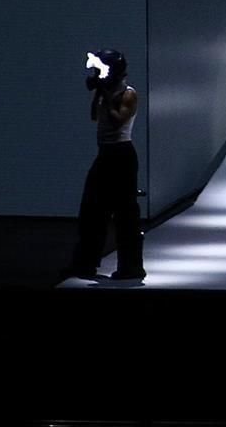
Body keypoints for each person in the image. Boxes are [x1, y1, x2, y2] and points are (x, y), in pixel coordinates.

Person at [63, 49, 146, 280]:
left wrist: (106, 94)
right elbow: (94, 116)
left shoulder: (128, 94)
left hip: (121, 156)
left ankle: (131, 267)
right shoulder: (107, 91)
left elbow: (118, 120)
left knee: (125, 213)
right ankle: (86, 263)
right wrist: (100, 92)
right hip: (106, 154)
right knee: (92, 210)